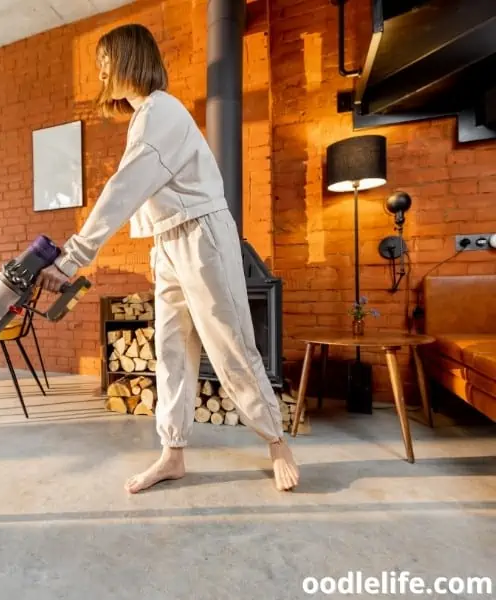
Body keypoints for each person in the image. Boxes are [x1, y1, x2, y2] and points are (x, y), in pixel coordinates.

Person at [37, 23, 300, 494]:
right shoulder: (143, 117)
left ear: (129, 58)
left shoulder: (162, 111)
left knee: (231, 343)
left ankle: (276, 440)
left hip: (202, 237)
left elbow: (123, 189)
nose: (100, 70)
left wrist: (74, 257)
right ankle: (172, 452)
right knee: (171, 352)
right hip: (167, 243)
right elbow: (137, 194)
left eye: (105, 60)